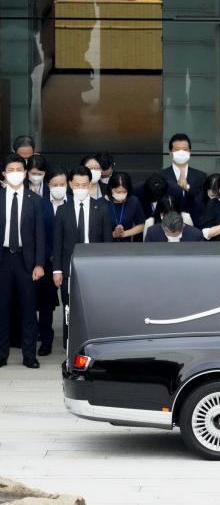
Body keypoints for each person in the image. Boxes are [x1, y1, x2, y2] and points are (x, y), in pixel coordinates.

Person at [52, 166, 113, 347]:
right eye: (77, 185)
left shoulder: (101, 208)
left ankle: (92, 343)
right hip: (69, 266)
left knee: (93, 307)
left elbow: (107, 242)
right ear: (71, 185)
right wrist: (57, 269)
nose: (80, 188)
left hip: (95, 267)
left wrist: (107, 269)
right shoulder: (63, 210)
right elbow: (58, 243)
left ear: (90, 184)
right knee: (69, 307)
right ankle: (68, 344)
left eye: (84, 185)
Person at [0, 154, 45, 368]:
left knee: (28, 310)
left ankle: (29, 356)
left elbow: (40, 235)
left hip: (26, 262)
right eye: (11, 169)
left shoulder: (34, 199)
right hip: (3, 259)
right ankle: (2, 354)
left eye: (19, 169)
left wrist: (39, 264)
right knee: (2, 310)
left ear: (25, 172)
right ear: (4, 173)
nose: (16, 173)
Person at [35, 167, 67, 356]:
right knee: (46, 304)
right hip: (47, 261)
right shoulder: (40, 204)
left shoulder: (74, 202)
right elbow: (38, 233)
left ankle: (68, 340)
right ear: (48, 185)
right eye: (55, 185)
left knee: (70, 303)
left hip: (69, 260)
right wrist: (49, 255)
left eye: (62, 184)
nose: (58, 188)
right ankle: (46, 341)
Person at [161, 133, 208, 222]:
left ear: (190, 152)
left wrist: (187, 188)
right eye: (177, 150)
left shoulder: (200, 176)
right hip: (168, 223)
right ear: (170, 153)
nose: (181, 153)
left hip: (194, 223)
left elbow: (202, 203)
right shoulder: (162, 176)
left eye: (185, 149)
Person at [106, 172, 146, 242]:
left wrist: (124, 234)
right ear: (111, 189)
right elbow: (96, 231)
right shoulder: (102, 202)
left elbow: (142, 225)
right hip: (105, 245)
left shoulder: (133, 201)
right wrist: (113, 234)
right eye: (118, 192)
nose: (121, 194)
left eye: (124, 192)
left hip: (126, 245)